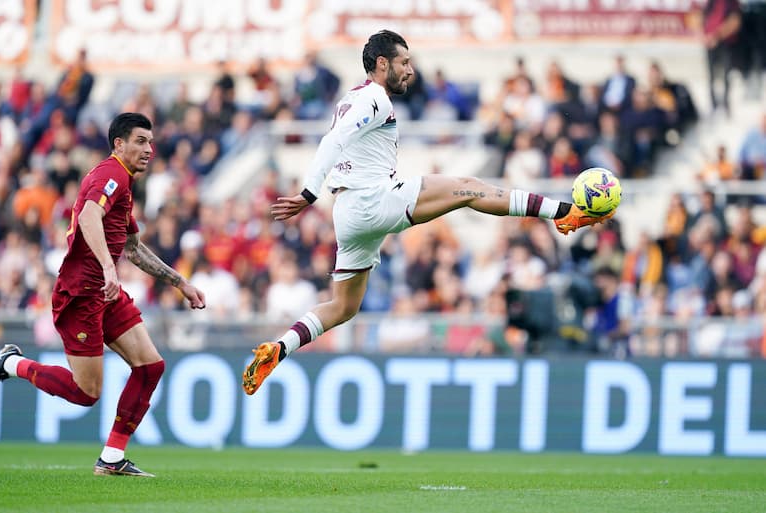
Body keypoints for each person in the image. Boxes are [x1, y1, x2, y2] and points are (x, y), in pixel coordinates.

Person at [240, 30, 614, 395]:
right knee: (470, 189)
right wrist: (308, 193)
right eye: (404, 62)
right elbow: (332, 141)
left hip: (349, 214)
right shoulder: (375, 98)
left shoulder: (353, 97)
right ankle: (564, 213)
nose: (410, 70)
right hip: (372, 200)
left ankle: (279, 348)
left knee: (343, 306)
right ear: (382, 64)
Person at [0, 113, 206, 477]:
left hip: (105, 293)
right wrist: (109, 267)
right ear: (118, 144)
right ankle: (11, 364)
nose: (149, 149)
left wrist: (180, 283)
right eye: (140, 141)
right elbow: (89, 216)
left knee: (150, 366)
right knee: (86, 392)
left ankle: (112, 458)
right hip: (80, 294)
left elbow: (134, 248)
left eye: (151, 142)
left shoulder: (123, 185)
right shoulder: (112, 174)